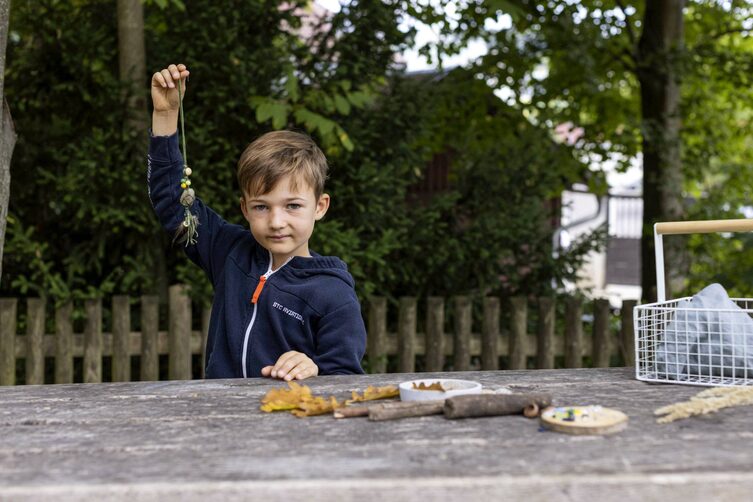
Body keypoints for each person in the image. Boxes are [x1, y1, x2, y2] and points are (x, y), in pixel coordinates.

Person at [148, 63, 366, 381]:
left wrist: (314, 368)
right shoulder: (229, 252)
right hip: (220, 410)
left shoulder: (334, 295)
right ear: (245, 209)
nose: (276, 221)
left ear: (320, 206)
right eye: (262, 206)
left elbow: (346, 378)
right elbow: (172, 200)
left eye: (292, 206)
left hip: (288, 414)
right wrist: (166, 116)